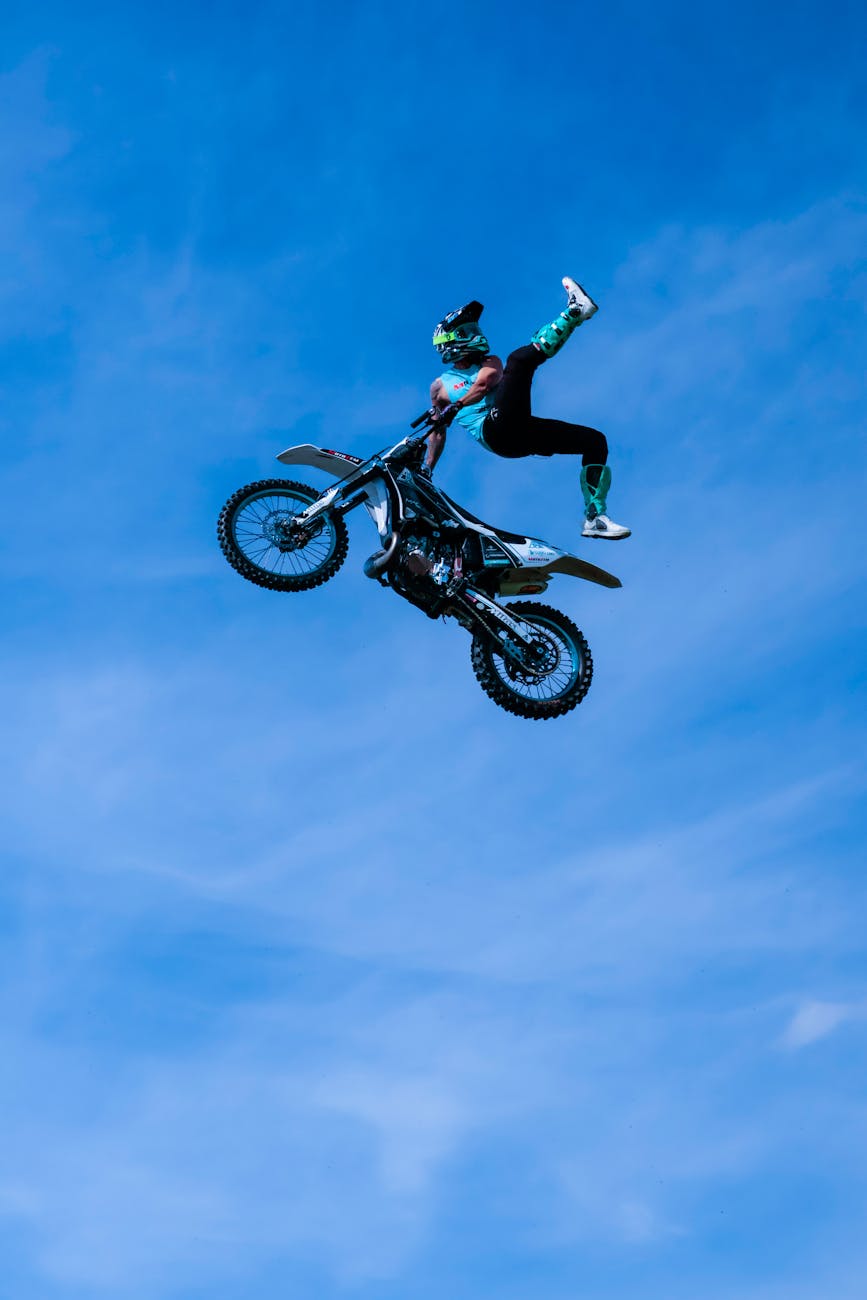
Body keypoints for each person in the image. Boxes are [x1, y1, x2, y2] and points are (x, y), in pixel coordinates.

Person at [426, 279, 631, 540]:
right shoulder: (440, 387)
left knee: (594, 441)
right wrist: (428, 468)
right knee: (519, 360)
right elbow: (437, 431)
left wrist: (457, 405)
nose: (477, 335)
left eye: (475, 329)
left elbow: (485, 382)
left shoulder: (490, 362)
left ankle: (595, 518)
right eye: (468, 331)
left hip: (519, 430)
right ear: (451, 341)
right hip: (495, 433)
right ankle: (574, 312)